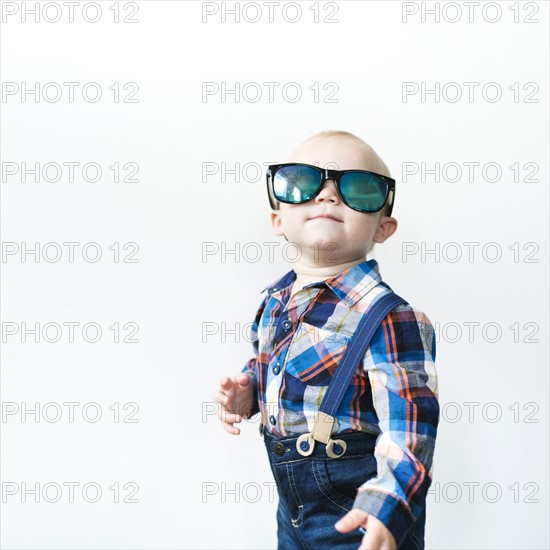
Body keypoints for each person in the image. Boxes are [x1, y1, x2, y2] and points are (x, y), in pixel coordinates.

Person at [213, 130, 439, 550]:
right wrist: (248, 391)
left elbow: (409, 431)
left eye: (359, 188)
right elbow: (274, 365)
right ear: (278, 220)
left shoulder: (391, 318)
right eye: (303, 183)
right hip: (292, 513)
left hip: (359, 517)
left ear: (383, 227)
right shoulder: (273, 302)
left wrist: (389, 506)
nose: (328, 195)